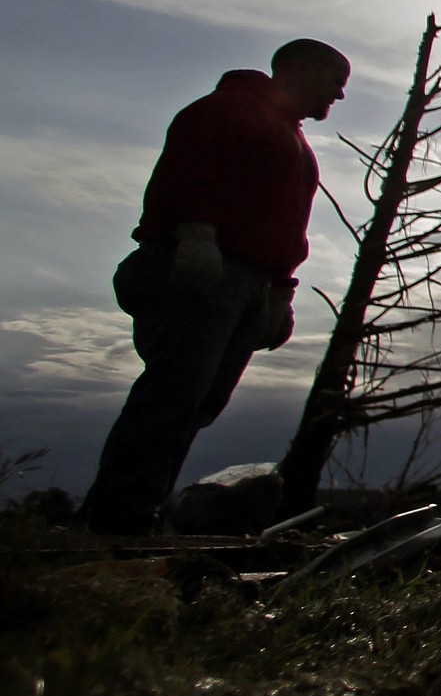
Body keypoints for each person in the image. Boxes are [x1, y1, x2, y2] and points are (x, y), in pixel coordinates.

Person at [80, 39, 350, 535]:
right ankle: (115, 520)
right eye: (334, 80)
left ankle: (135, 513)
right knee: (173, 394)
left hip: (247, 283)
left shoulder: (293, 141)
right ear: (299, 69)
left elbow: (285, 225)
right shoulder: (225, 110)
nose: (338, 94)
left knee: (196, 403)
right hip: (204, 271)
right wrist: (197, 235)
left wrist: (278, 293)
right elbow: (185, 175)